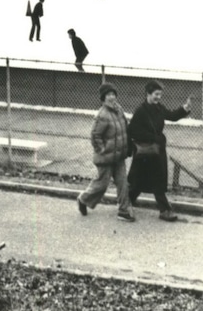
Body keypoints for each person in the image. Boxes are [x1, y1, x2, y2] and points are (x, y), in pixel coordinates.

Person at [126, 81, 192, 222]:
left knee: (156, 181)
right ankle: (128, 204)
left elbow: (172, 116)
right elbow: (132, 131)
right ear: (148, 93)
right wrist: (153, 137)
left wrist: (184, 109)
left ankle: (163, 210)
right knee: (138, 183)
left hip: (156, 152)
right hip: (145, 152)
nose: (158, 97)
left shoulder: (159, 108)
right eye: (156, 94)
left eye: (160, 95)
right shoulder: (141, 111)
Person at [77, 84, 133, 221]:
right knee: (101, 185)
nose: (112, 97)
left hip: (119, 156)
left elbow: (125, 128)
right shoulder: (102, 115)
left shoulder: (119, 110)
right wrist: (103, 150)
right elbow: (95, 136)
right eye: (108, 95)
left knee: (123, 183)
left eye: (113, 94)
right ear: (103, 98)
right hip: (106, 157)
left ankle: (123, 211)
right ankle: (83, 199)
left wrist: (127, 146)